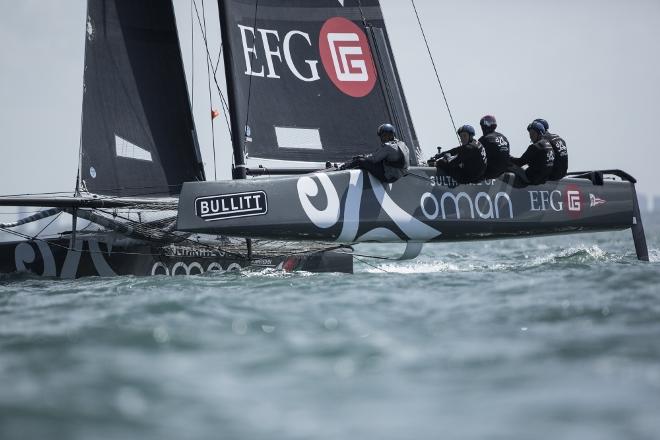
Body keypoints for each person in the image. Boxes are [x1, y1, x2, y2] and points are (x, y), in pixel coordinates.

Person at [341, 123, 410, 183]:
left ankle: (341, 169)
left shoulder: (388, 146)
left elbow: (374, 159)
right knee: (368, 162)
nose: (383, 138)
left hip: (388, 177)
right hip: (397, 176)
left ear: (389, 135)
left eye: (383, 136)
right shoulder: (402, 144)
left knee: (360, 161)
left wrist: (362, 156)